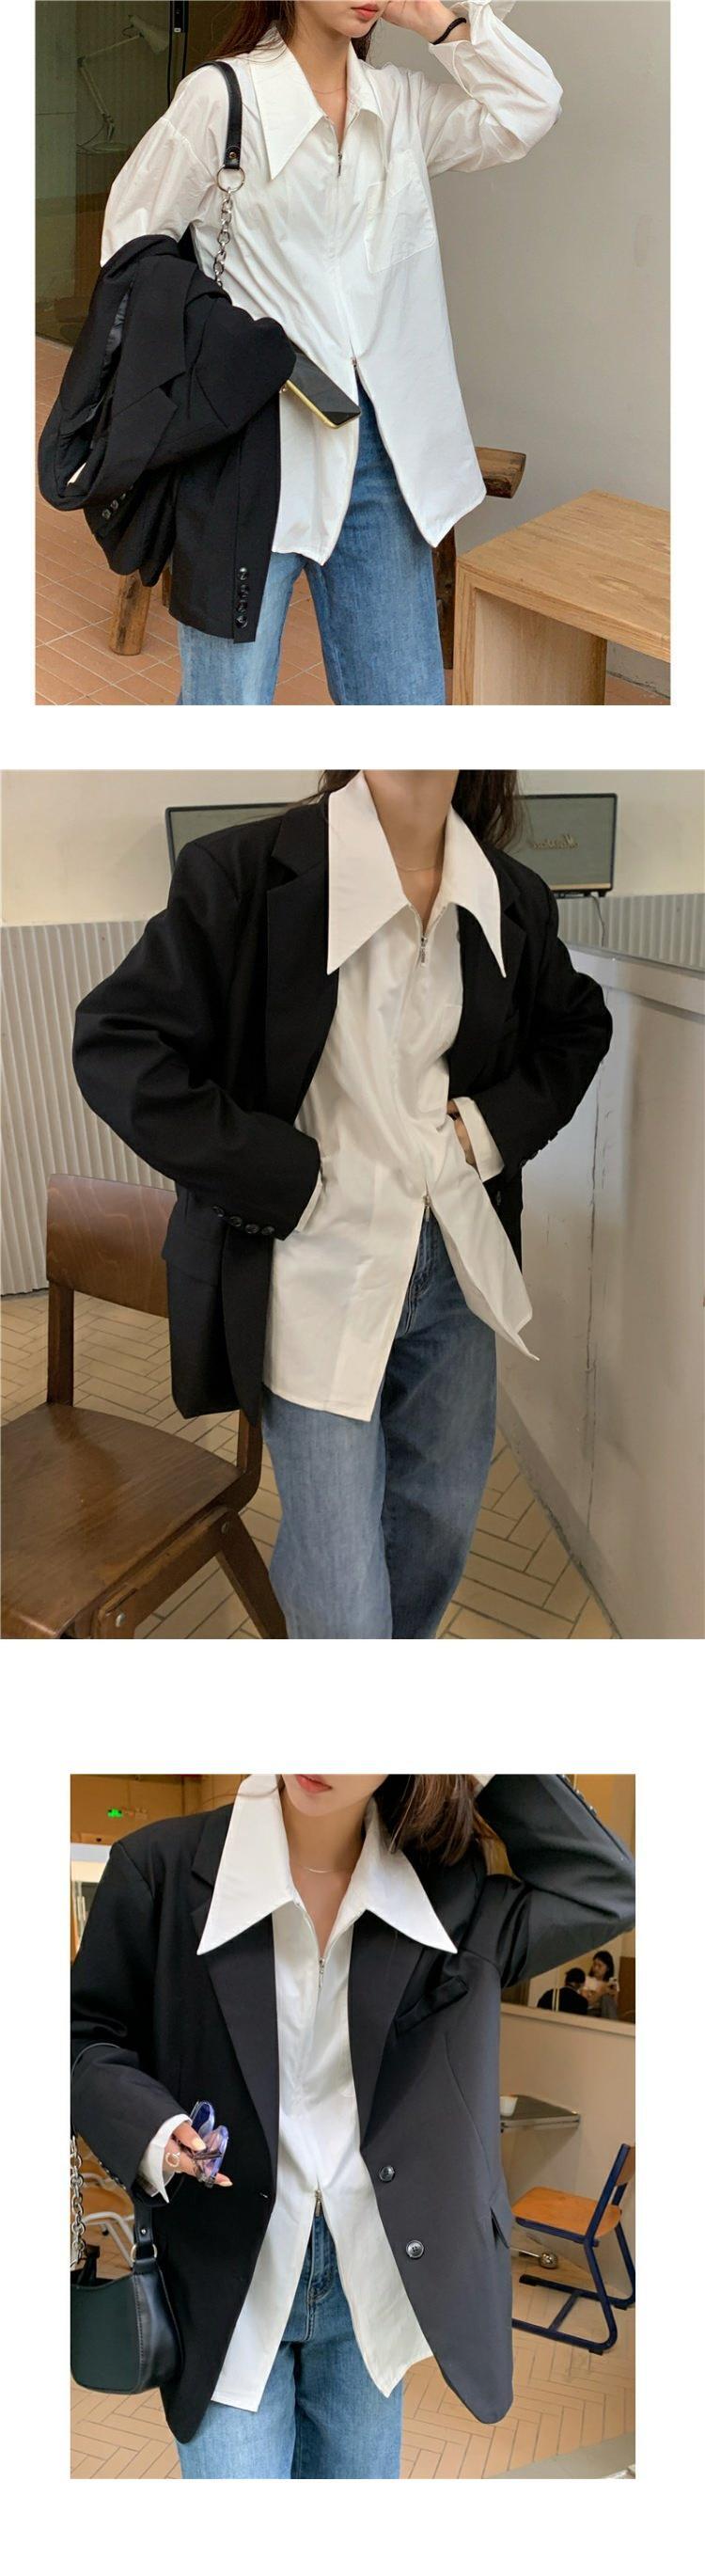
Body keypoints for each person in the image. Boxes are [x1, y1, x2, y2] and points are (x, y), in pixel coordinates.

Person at [72, 769, 613, 1639]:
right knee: (342, 1587)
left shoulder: (511, 894)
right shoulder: (240, 873)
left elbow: (577, 1026)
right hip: (315, 1270)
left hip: (455, 1262)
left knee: (438, 1528)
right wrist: (277, 1173)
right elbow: (116, 1044)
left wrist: (484, 1129)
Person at [70, 1772, 635, 2479]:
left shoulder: (445, 1892)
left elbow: (605, 1889)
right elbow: (83, 2034)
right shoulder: (158, 1867)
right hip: (225, 2282)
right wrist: (152, 2126)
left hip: (372, 2276)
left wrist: (486, 1758)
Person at [99, 2, 561, 705]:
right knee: (228, 710)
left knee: (402, 711)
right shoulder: (223, 100)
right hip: (247, 452)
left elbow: (528, 109)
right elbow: (130, 252)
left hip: (383, 458)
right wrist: (219, 350)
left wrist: (431, 18)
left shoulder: (399, 105)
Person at [583, 1948, 619, 2018]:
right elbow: (585, 2004)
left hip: (606, 2013)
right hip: (590, 2012)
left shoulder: (612, 1982)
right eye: (594, 1964)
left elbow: (615, 2006)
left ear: (608, 1968)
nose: (596, 1968)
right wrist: (602, 1992)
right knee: (605, 1997)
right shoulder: (586, 1979)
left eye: (599, 1966)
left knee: (607, 1998)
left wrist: (614, 1994)